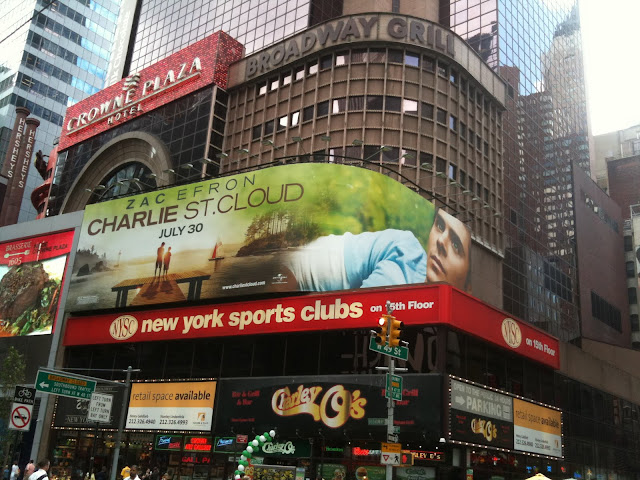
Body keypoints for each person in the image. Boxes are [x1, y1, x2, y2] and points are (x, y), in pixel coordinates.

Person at [286, 207, 472, 292]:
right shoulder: (408, 259)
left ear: (468, 288)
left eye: (456, 245)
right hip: (305, 266)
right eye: (439, 225)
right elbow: (362, 308)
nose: (441, 241)